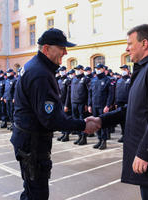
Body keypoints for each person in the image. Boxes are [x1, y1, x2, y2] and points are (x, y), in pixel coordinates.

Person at [86, 24, 148, 200]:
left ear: (144, 43)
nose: (127, 48)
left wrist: (144, 152)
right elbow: (133, 109)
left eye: (130, 43)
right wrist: (101, 120)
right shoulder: (145, 68)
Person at [10, 28, 98, 200]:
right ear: (46, 49)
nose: (65, 52)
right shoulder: (41, 74)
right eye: (61, 47)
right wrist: (83, 125)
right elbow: (50, 119)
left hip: (27, 140)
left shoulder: (35, 66)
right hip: (33, 145)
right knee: (37, 194)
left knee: (30, 191)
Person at [88, 63, 114, 150]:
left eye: (99, 68)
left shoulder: (108, 80)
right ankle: (99, 139)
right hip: (95, 105)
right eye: (96, 68)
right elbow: (90, 93)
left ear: (103, 69)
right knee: (96, 124)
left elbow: (111, 94)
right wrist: (89, 105)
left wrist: (108, 105)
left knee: (103, 124)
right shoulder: (93, 80)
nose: (97, 70)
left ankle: (104, 141)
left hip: (103, 106)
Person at [115, 65, 131, 141]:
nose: (123, 71)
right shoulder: (119, 80)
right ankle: (123, 134)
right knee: (121, 120)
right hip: (119, 103)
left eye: (124, 69)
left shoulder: (131, 80)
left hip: (127, 103)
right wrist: (115, 102)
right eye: (122, 69)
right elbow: (116, 92)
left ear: (128, 70)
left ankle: (128, 135)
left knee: (127, 120)